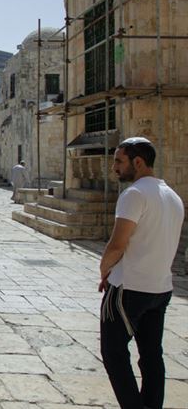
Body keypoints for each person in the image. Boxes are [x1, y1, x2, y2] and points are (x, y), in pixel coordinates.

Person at [98, 137, 184, 409]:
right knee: (151, 355)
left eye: (119, 161)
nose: (114, 168)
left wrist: (105, 270)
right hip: (160, 288)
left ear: (138, 162)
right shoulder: (172, 195)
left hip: (129, 287)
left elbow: (118, 243)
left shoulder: (134, 194)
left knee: (113, 353)